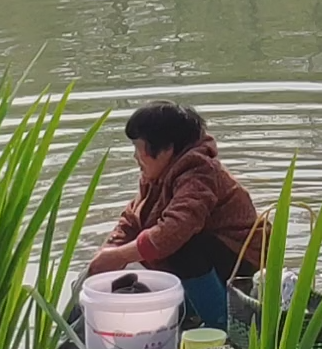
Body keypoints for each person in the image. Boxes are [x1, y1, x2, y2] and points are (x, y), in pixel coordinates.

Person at [89, 101, 264, 331]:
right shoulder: (156, 175)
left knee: (182, 247)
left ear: (166, 150)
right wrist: (107, 255)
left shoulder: (200, 171)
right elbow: (133, 219)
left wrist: (120, 255)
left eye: (139, 149)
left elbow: (176, 228)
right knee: (140, 248)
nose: (135, 157)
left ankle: (224, 325)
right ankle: (191, 310)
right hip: (212, 264)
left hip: (241, 261)